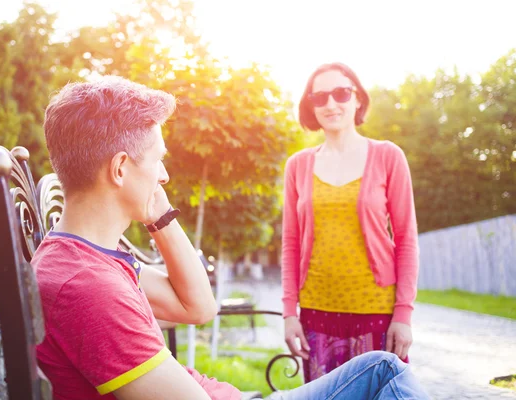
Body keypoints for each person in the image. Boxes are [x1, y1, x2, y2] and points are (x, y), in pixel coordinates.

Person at [32, 76, 429, 399]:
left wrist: (161, 218)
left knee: (382, 369)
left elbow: (200, 309)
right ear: (120, 169)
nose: (164, 176)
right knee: (385, 374)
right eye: (158, 159)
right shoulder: (87, 287)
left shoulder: (90, 259)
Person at [281, 62, 420, 383]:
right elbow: (290, 243)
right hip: (316, 313)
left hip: (376, 312)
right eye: (319, 97)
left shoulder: (388, 156)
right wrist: (290, 313)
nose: (331, 104)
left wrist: (403, 313)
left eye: (341, 93)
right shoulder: (297, 166)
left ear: (358, 99)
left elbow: (407, 241)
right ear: (310, 105)